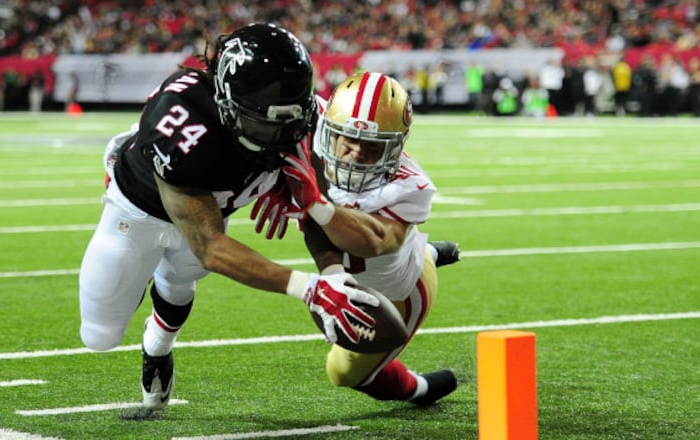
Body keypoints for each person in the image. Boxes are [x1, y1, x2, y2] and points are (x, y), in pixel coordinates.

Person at [78, 23, 384, 412]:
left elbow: (314, 208)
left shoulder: (301, 120)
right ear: (225, 101)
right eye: (263, 123)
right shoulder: (183, 118)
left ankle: (156, 347)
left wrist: (333, 276)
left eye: (289, 124)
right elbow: (209, 247)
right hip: (140, 210)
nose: (280, 137)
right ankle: (128, 159)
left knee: (178, 283)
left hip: (214, 208)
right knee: (99, 334)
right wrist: (309, 289)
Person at [253, 71, 461, 406]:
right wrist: (271, 177)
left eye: (373, 146)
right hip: (370, 266)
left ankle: (420, 389)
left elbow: (372, 242)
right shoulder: (310, 123)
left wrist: (312, 201)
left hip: (398, 292)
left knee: (343, 373)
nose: (355, 153)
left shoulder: (410, 186)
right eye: (348, 139)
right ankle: (429, 253)